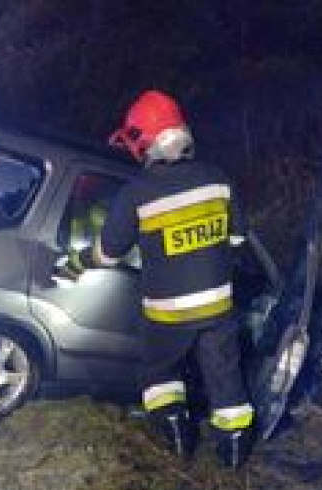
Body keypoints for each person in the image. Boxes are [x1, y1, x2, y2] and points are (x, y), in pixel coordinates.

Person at [93, 90, 256, 468]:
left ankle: (178, 434)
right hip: (218, 307)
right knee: (224, 374)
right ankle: (233, 451)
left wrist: (81, 260)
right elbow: (237, 239)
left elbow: (108, 252)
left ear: (145, 143)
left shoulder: (136, 194)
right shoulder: (218, 180)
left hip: (167, 315)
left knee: (158, 369)